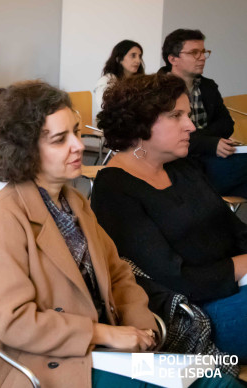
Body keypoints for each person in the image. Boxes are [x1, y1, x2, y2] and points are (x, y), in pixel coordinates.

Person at [0, 81, 161, 388]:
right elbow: (15, 323)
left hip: (96, 354)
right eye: (60, 139)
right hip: (38, 366)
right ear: (25, 151)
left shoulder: (75, 202)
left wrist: (142, 329)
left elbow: (118, 274)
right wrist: (106, 334)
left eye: (76, 131)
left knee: (214, 380)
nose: (79, 145)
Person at [92, 73, 247, 361]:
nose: (191, 126)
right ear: (141, 122)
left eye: (187, 115)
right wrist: (241, 265)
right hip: (193, 313)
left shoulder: (180, 166)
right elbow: (175, 280)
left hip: (233, 287)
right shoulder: (115, 189)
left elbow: (234, 229)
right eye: (176, 116)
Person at [160, 28, 247, 198]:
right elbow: (164, 136)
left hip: (210, 157)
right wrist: (209, 142)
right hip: (177, 163)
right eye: (194, 52)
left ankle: (212, 214)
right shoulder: (158, 88)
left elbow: (226, 124)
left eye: (203, 52)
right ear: (173, 59)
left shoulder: (208, 86)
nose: (201, 57)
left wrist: (207, 141)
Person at [92, 40, 144, 120]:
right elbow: (105, 109)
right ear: (119, 59)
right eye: (133, 56)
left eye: (139, 56)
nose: (138, 61)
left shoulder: (141, 81)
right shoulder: (105, 81)